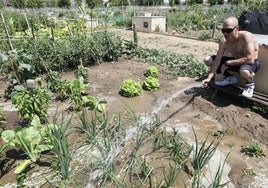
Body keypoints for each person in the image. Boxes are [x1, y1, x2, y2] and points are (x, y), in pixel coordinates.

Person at [202, 16, 260, 98]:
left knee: (244, 71)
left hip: (250, 63)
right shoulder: (224, 41)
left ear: (237, 28)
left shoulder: (246, 37)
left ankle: (250, 84)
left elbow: (250, 59)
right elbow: (217, 60)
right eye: (223, 31)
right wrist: (209, 77)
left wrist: (228, 63)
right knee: (208, 60)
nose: (225, 33)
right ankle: (230, 78)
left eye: (228, 30)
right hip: (236, 61)